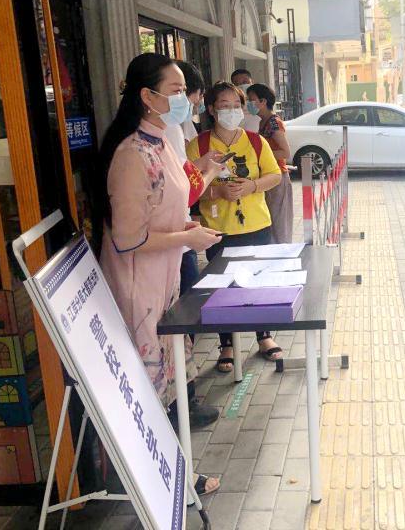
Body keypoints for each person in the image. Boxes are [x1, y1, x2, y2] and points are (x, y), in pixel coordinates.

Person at [96, 53, 225, 495]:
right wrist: (186, 240)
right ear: (146, 96)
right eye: (174, 91)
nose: (184, 100)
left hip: (164, 282)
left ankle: (175, 475)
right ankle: (167, 482)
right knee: (147, 393)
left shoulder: (162, 142)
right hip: (139, 290)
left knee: (166, 386)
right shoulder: (131, 154)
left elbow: (167, 210)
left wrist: (187, 227)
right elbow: (128, 240)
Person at [186, 81, 284, 373]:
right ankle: (226, 343)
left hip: (256, 224)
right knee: (223, 289)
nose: (231, 110)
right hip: (218, 228)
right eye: (224, 105)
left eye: (236, 105)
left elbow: (275, 175)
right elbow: (186, 188)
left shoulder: (255, 141)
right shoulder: (199, 145)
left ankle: (264, 336)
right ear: (212, 109)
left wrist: (252, 185)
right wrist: (216, 192)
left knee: (258, 283)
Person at [171, 60, 207, 296]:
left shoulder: (170, 126)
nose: (189, 101)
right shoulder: (167, 128)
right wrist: (210, 170)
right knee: (186, 308)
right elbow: (184, 183)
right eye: (178, 91)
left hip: (180, 231)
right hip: (174, 237)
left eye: (184, 91)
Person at [247, 83, 293, 244]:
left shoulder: (274, 123)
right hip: (267, 177)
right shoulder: (262, 122)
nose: (248, 104)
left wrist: (261, 156)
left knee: (279, 223)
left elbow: (285, 152)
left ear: (263, 101)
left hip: (277, 176)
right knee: (270, 220)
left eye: (251, 100)